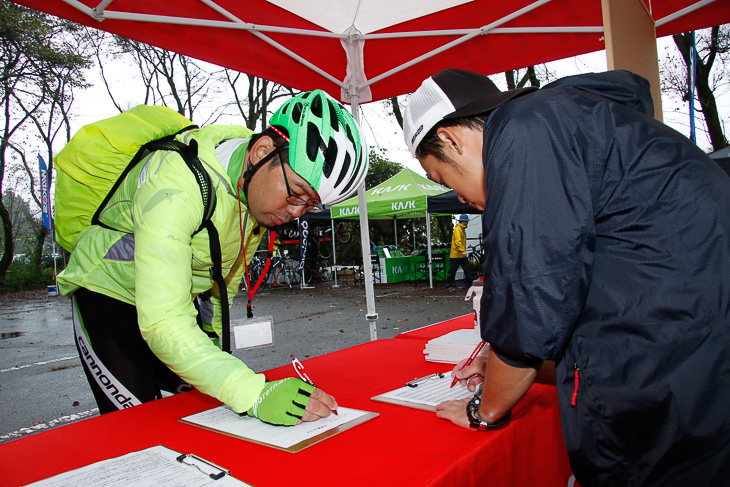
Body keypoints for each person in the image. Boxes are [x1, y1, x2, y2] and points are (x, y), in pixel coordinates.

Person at [402, 68, 730, 486]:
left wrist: (483, 411)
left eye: (440, 176)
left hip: (666, 401)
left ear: (451, 139)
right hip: (692, 368)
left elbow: (532, 298)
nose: (459, 197)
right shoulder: (580, 121)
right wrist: (498, 364)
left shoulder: (525, 130)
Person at [58, 90, 368, 426]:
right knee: (137, 427)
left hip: (174, 302)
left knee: (196, 414)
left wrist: (212, 340)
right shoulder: (175, 186)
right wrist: (253, 392)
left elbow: (224, 278)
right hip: (108, 293)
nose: (296, 212)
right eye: (296, 193)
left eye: (310, 205)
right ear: (261, 152)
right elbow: (163, 323)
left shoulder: (256, 188)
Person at [446, 214, 473, 290]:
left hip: (460, 254)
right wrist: (463, 250)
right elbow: (458, 241)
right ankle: (449, 285)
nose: (467, 223)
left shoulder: (461, 229)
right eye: (467, 221)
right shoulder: (458, 229)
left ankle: (472, 283)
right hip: (457, 255)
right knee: (453, 270)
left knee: (466, 269)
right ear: (464, 221)